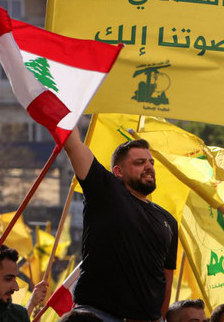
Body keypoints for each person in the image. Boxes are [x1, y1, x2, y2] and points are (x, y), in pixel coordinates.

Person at [64, 128, 178, 322]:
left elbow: (166, 276)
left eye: (151, 162)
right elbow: (73, 146)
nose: (149, 167)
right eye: (139, 163)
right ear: (118, 172)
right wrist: (68, 108)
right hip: (98, 315)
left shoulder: (168, 220)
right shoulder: (107, 192)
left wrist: (159, 317)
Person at [0, 245, 47, 322]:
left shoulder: (19, 315)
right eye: (8, 279)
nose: (16, 287)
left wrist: (32, 304)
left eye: (15, 278)